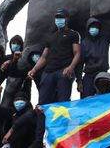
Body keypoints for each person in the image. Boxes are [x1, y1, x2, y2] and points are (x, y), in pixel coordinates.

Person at [27, 9, 81, 148]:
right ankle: (38, 140)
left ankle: (61, 139)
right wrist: (34, 69)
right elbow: (44, 57)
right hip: (48, 72)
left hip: (63, 72)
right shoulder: (50, 37)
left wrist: (71, 67)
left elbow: (77, 53)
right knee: (41, 106)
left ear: (67, 19)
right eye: (57, 17)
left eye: (61, 17)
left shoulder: (73, 34)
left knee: (63, 105)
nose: (58, 20)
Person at [0, 34, 28, 107]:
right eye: (14, 43)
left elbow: (19, 72)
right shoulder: (6, 57)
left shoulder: (24, 58)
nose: (16, 45)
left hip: (21, 88)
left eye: (18, 44)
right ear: (10, 44)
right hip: (7, 89)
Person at [76, 17, 110, 98]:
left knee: (104, 100)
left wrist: (99, 14)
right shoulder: (84, 43)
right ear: (88, 28)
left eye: (96, 27)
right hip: (89, 75)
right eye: (92, 27)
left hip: (103, 74)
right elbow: (80, 64)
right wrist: (79, 81)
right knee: (85, 99)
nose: (94, 29)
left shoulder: (105, 40)